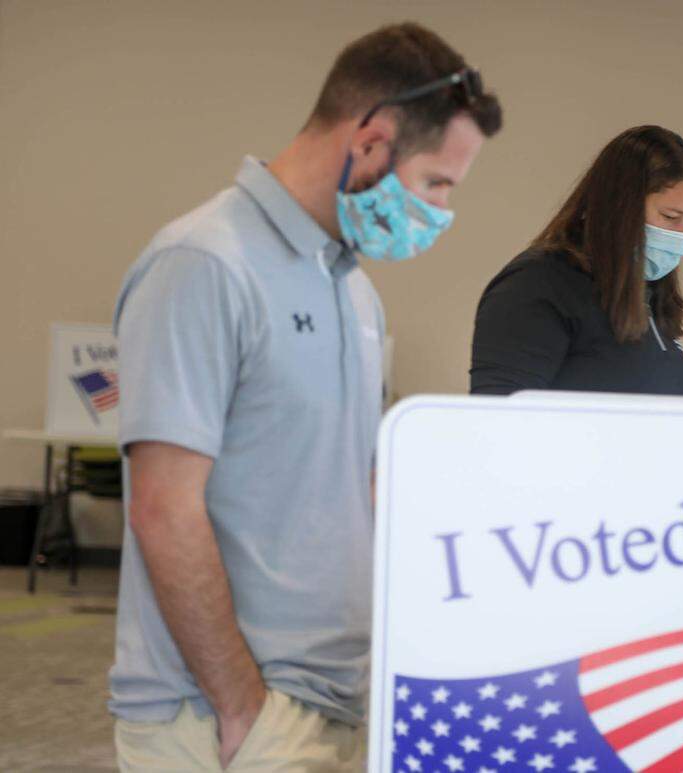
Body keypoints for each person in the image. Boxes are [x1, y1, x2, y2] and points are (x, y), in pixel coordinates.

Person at [110, 23, 501, 771]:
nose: (442, 211)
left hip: (333, 699)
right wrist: (240, 708)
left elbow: (347, 481)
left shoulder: (352, 287)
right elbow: (163, 506)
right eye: (436, 183)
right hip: (225, 717)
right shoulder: (202, 264)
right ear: (373, 143)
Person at [469, 125, 683, 396]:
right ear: (619, 205)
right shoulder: (538, 283)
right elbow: (498, 415)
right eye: (670, 216)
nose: (682, 235)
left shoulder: (646, 294)